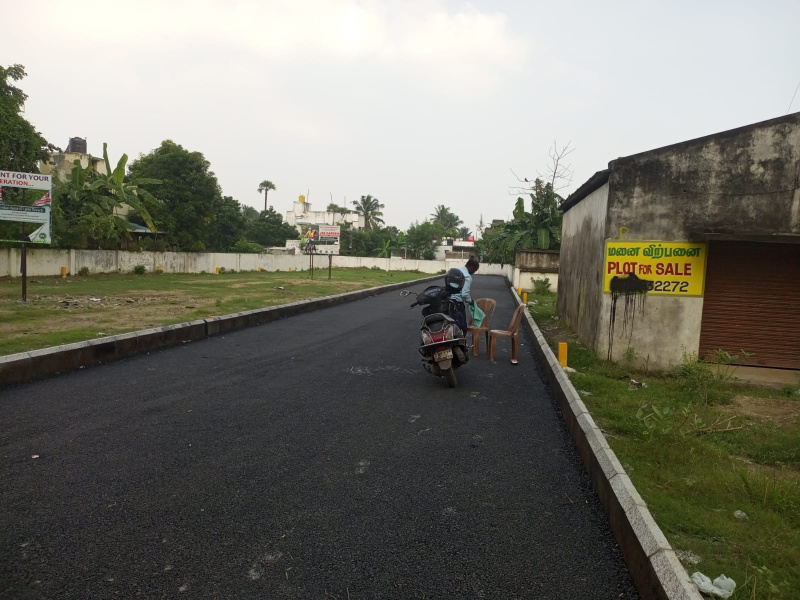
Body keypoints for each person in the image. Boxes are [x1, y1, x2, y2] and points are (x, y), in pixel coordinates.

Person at [449, 256, 480, 334]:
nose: (474, 272)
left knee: (450, 326)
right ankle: (460, 345)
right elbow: (464, 294)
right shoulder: (467, 276)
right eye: (474, 270)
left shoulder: (457, 270)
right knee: (462, 327)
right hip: (457, 304)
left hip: (448, 301)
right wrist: (471, 301)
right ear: (470, 267)